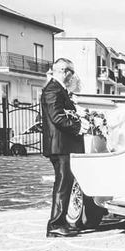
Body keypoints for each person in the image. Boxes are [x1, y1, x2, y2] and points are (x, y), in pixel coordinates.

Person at [41, 58, 88, 238]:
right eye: (72, 72)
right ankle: (55, 225)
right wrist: (78, 127)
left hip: (63, 146)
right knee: (62, 185)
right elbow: (57, 117)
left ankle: (60, 222)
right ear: (64, 71)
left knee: (65, 185)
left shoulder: (59, 89)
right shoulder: (53, 89)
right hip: (60, 146)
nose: (73, 76)